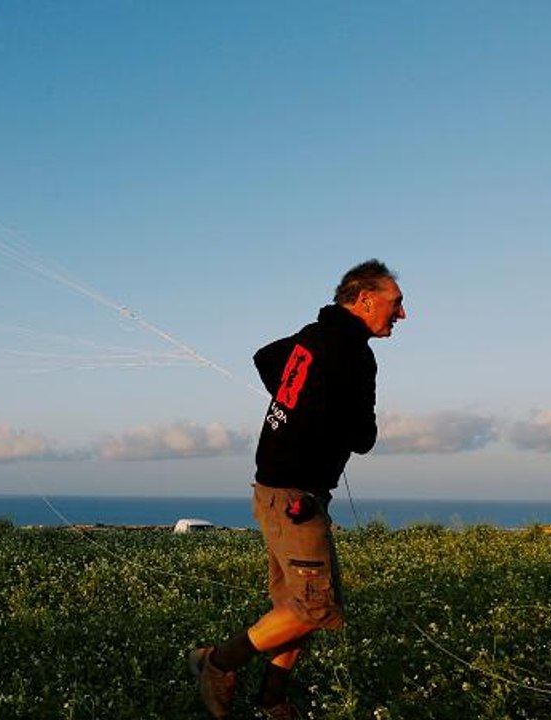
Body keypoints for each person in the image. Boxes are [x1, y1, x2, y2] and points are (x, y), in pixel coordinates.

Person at [188, 260, 405, 719]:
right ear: (365, 300)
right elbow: (362, 437)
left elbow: (266, 359)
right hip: (295, 496)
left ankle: (272, 697)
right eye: (396, 302)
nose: (402, 314)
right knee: (313, 607)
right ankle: (216, 662)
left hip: (279, 487)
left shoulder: (313, 334)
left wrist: (298, 405)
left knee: (298, 603)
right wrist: (318, 418)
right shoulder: (353, 353)